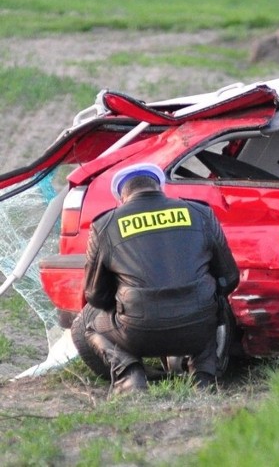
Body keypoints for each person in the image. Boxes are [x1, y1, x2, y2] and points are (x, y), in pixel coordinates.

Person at [75, 163, 239, 395]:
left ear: (122, 196)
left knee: (88, 326)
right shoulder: (200, 212)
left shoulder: (105, 225)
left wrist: (123, 300)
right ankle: (204, 376)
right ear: (160, 187)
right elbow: (229, 278)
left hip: (137, 332)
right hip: (198, 330)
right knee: (218, 304)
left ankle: (129, 375)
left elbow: (94, 296)